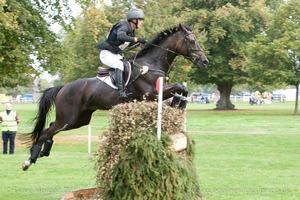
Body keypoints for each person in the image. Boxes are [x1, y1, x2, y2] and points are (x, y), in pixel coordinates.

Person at [97, 8, 146, 99]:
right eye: (140, 20)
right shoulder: (123, 25)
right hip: (106, 54)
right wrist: (136, 39)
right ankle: (121, 92)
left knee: (129, 65)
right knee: (120, 65)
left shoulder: (131, 32)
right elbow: (121, 36)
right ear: (134, 20)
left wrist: (140, 43)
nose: (141, 22)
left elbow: (128, 45)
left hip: (114, 54)